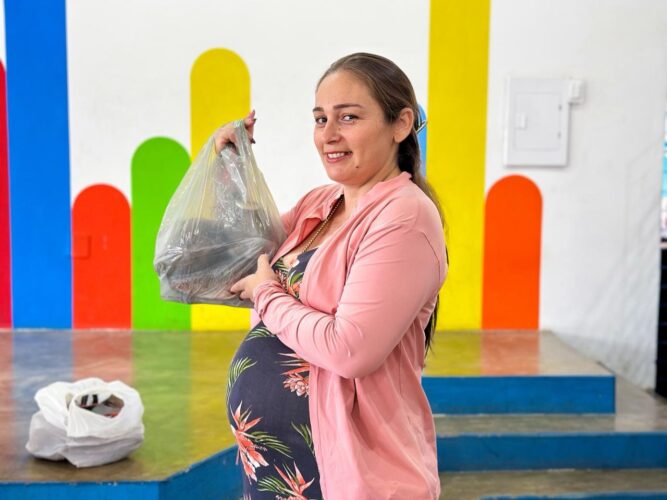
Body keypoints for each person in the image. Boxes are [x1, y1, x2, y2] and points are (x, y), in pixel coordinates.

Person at [219, 53, 447, 499]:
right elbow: (238, 255)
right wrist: (231, 168)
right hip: (275, 474)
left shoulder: (405, 217)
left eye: (349, 117)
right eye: (320, 118)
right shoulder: (321, 204)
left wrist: (267, 294)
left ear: (400, 124)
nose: (328, 135)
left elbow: (350, 349)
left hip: (350, 479)